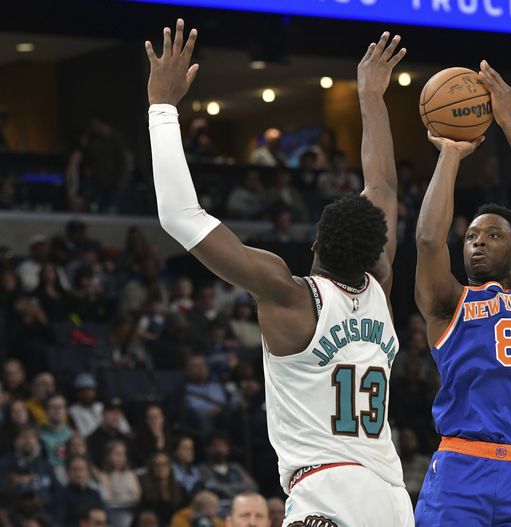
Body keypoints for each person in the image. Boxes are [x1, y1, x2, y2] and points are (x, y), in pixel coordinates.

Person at [145, 22, 411, 526]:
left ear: (315, 245)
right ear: (376, 250)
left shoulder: (290, 296)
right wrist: (372, 96)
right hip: (392, 497)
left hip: (326, 492)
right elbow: (383, 185)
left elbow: (180, 217)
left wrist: (162, 105)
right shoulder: (381, 286)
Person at [413, 60, 511, 526]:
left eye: (493, 235)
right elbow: (427, 240)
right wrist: (449, 154)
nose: (478, 241)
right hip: (461, 465)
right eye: (471, 236)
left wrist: (508, 121)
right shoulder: (449, 302)